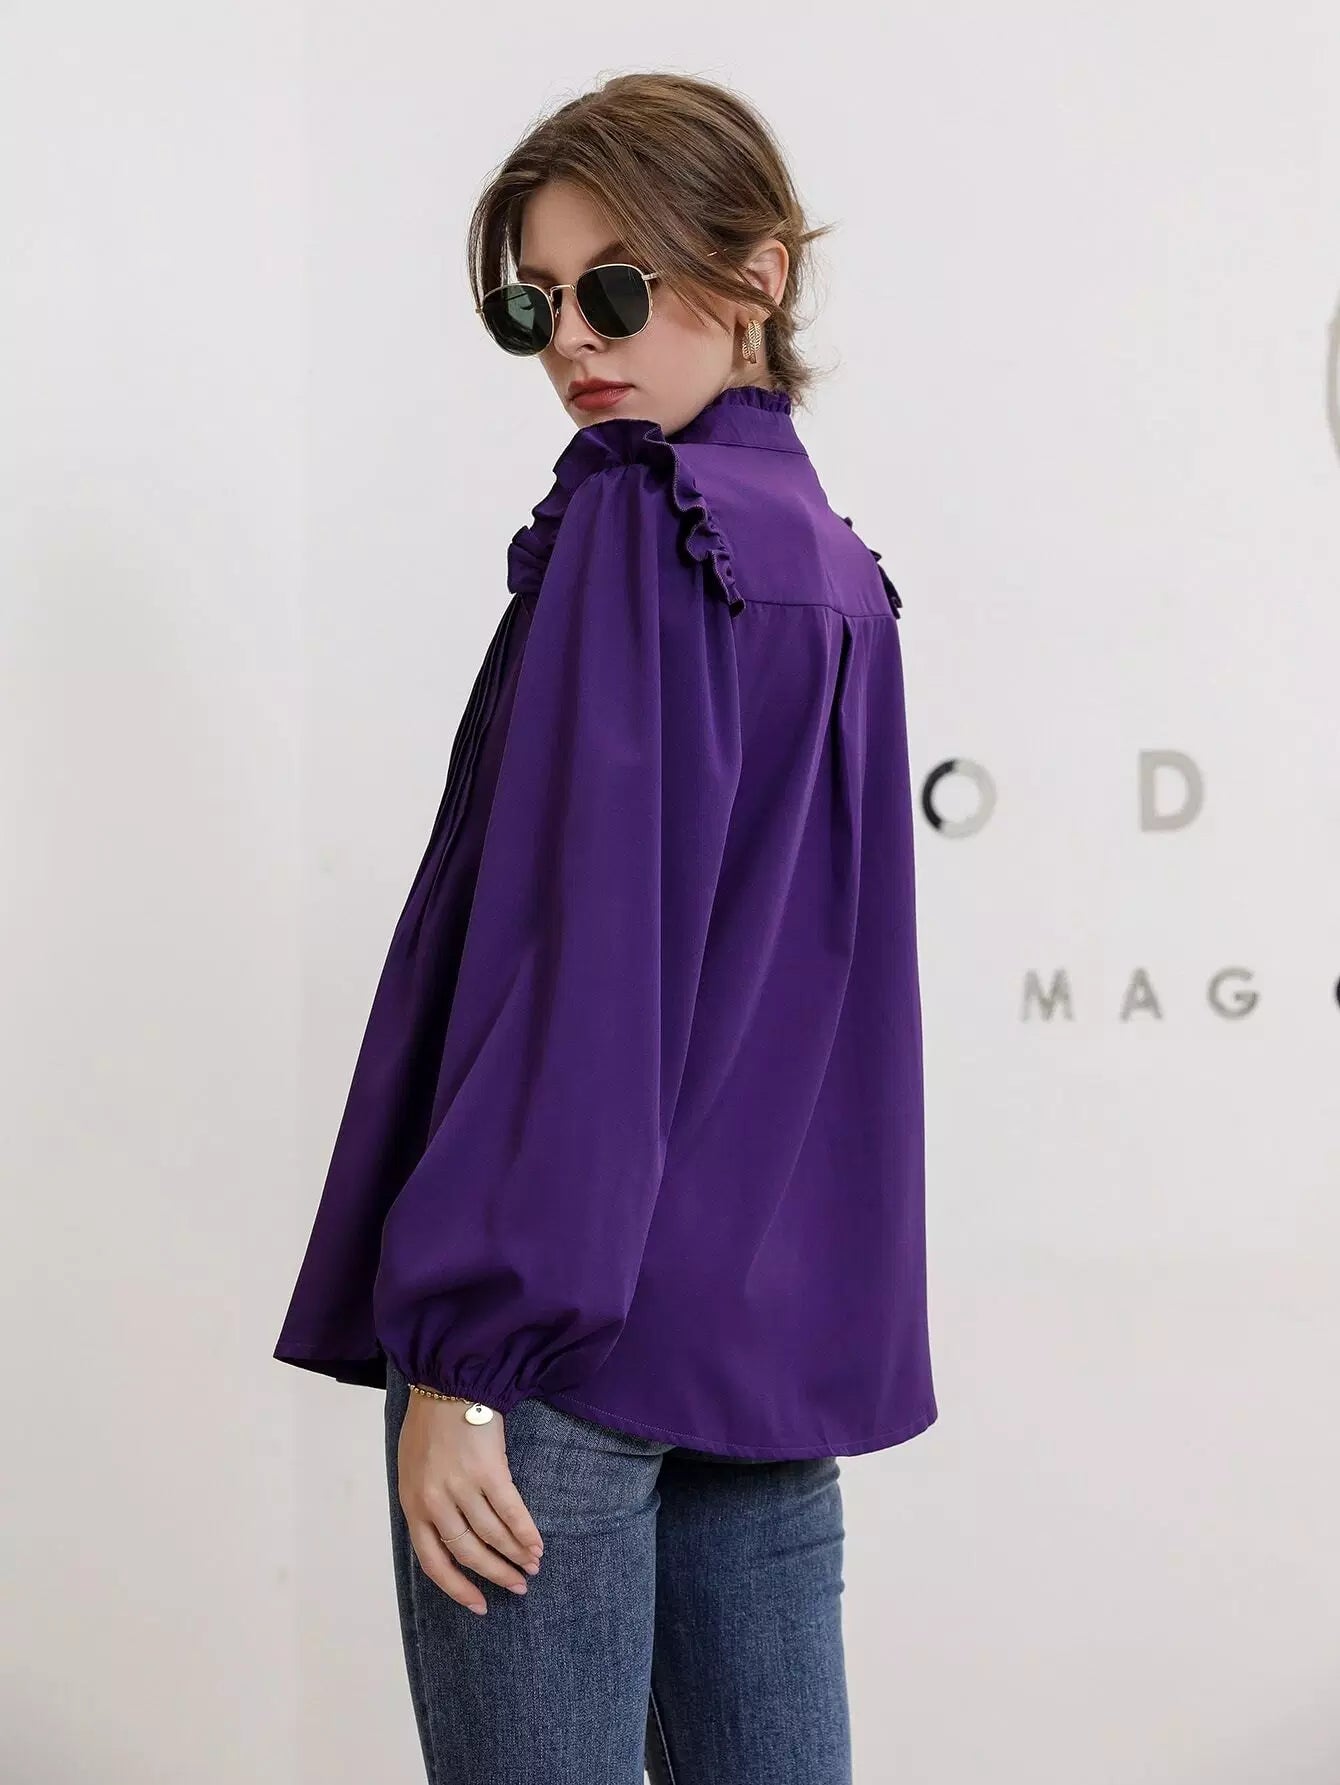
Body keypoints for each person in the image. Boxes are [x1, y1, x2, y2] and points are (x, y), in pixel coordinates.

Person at [273, 70, 936, 1785]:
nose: (573, 339)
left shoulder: (643, 529)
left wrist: (466, 1366)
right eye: (535, 304)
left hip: (557, 1360)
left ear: (758, 275)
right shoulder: (838, 571)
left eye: (616, 289)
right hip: (757, 1356)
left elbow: (586, 971)